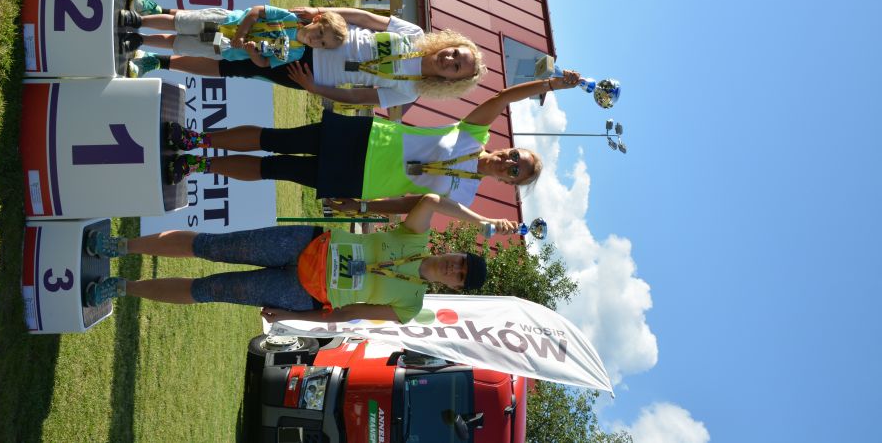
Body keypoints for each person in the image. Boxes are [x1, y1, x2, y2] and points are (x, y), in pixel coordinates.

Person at [163, 69, 582, 213]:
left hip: (361, 182)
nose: (509, 162)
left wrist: (363, 207)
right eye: (515, 156)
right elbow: (503, 97)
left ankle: (197, 165)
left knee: (274, 168)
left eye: (515, 171)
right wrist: (549, 84)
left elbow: (409, 204)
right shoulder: (475, 135)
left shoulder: (465, 197)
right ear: (509, 147)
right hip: (364, 138)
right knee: (276, 138)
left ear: (508, 183)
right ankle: (197, 138)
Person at [83, 194, 512, 323]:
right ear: (455, 251)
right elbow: (431, 199)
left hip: (299, 292)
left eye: (459, 276)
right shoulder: (417, 236)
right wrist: (483, 220)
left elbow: (349, 314)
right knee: (209, 245)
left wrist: (295, 318)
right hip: (302, 244)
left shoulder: (411, 305)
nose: (454, 268)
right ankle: (120, 246)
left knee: (210, 290)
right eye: (460, 261)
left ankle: (120, 288)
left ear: (452, 286)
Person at [123, 1, 486, 107]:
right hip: (317, 35)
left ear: (451, 80)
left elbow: (358, 97)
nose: (450, 59)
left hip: (307, 73)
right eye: (456, 53)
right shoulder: (415, 34)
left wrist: (314, 89)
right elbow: (363, 18)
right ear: (451, 42)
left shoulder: (412, 91)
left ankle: (159, 60)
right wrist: (320, 13)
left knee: (233, 66)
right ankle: (157, 12)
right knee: (227, 24)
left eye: (457, 67)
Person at [118, 1, 348, 77]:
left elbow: (265, 64)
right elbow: (256, 11)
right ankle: (139, 20)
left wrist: (251, 52)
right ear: (317, 19)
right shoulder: (289, 19)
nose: (316, 40)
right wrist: (241, 34)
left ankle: (140, 41)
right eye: (320, 33)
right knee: (179, 23)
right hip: (224, 23)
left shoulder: (296, 53)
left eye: (322, 44)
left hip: (224, 47)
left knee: (178, 43)